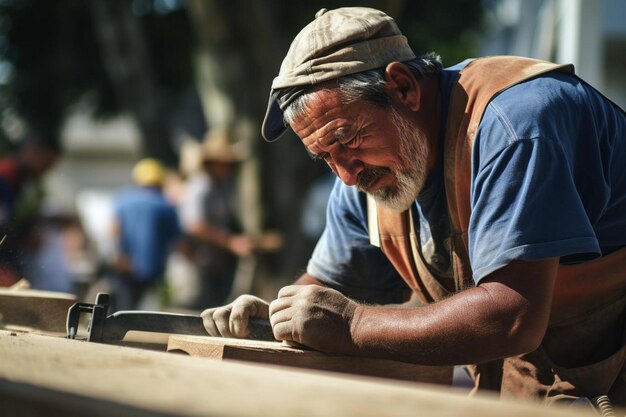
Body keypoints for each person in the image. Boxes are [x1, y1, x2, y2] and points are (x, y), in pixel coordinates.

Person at [201, 7, 626, 405]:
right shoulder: (364, 175)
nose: (345, 174)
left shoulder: (515, 126)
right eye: (325, 156)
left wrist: (353, 326)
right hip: (531, 386)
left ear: (403, 87)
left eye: (345, 139)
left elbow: (512, 316)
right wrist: (274, 320)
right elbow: (324, 300)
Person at [178, 131, 254, 309]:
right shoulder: (201, 186)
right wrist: (229, 242)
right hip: (199, 260)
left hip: (214, 262)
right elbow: (194, 225)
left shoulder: (221, 187)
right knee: (196, 311)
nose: (228, 168)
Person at [109, 158, 182, 311]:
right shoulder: (166, 205)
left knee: (122, 310)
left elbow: (113, 231)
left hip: (126, 266)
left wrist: (118, 256)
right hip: (153, 269)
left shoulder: (123, 200)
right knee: (147, 313)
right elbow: (178, 240)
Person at [0, 132, 60, 286]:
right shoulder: (5, 176)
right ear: (32, 150)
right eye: (45, 164)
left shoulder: (28, 184)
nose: (45, 171)